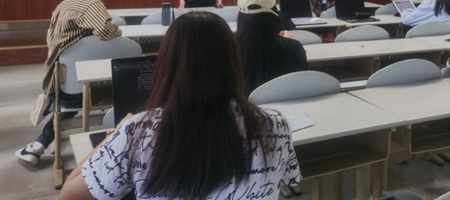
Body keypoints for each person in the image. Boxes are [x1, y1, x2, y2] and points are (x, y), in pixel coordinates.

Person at [60, 12, 301, 200]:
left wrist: (111, 138)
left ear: (167, 62)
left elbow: (70, 195)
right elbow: (291, 179)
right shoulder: (275, 124)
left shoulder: (136, 132)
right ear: (232, 61)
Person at [16, 0, 121, 165]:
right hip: (86, 90)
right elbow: (107, 32)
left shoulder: (65, 3)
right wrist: (119, 30)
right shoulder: (91, 3)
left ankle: (38, 145)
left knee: (73, 98)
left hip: (60, 82)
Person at [236, 0, 308, 95]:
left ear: (240, 16)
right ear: (274, 13)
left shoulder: (227, 52)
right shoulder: (295, 48)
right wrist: (288, 43)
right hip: (286, 105)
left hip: (243, 106)